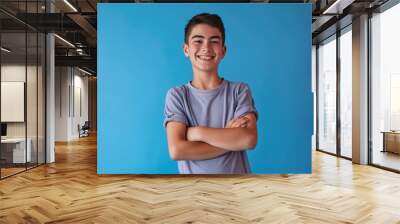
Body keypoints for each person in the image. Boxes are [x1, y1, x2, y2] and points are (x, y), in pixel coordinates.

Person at [163, 13, 258, 174]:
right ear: (186, 49)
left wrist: (197, 132)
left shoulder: (239, 91)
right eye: (198, 41)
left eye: (214, 41)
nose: (206, 48)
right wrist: (229, 138)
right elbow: (177, 150)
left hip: (237, 191)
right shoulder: (177, 96)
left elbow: (248, 139)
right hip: (194, 194)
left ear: (223, 50)